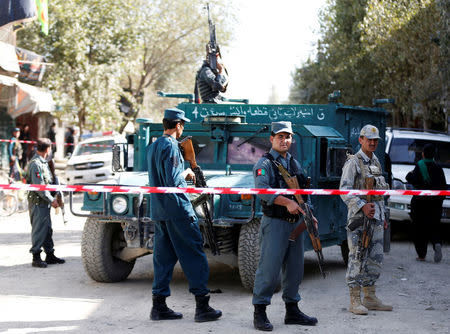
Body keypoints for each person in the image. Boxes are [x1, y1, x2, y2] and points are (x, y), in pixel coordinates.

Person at [147, 107, 222, 323]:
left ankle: (158, 306)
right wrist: (187, 173)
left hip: (160, 210)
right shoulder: (171, 146)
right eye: (183, 125)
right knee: (194, 254)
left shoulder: (153, 146)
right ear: (178, 125)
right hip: (178, 209)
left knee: (163, 258)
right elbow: (172, 180)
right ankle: (202, 306)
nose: (183, 129)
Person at [252, 121, 318, 331]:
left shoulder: (293, 163)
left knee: (295, 269)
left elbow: (303, 192)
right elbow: (263, 191)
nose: (284, 140)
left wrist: (309, 213)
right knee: (269, 270)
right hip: (275, 224)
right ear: (271, 139)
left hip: (296, 225)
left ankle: (292, 310)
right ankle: (260, 312)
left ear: (292, 139)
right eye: (280, 136)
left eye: (287, 137)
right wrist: (287, 202)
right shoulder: (265, 164)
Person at [340, 124, 392, 315]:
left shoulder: (376, 161)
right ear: (360, 140)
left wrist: (383, 213)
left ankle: (370, 297)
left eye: (375, 140)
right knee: (357, 257)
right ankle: (355, 300)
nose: (372, 142)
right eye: (368, 139)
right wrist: (362, 205)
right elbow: (344, 190)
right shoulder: (353, 162)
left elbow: (379, 191)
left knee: (375, 258)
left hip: (376, 218)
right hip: (359, 219)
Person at [27, 138, 65, 268]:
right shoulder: (35, 164)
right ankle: (36, 256)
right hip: (38, 203)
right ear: (48, 149)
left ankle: (50, 254)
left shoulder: (44, 162)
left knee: (47, 229)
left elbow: (48, 182)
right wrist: (52, 200)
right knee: (39, 230)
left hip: (44, 202)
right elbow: (40, 187)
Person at [406, 143, 446, 263]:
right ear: (434, 155)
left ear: (423, 154)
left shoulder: (419, 166)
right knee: (434, 226)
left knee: (419, 229)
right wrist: (440, 201)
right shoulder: (439, 168)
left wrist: (409, 176)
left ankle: (422, 255)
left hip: (419, 204)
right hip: (435, 204)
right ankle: (437, 243)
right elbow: (443, 187)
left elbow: (412, 179)